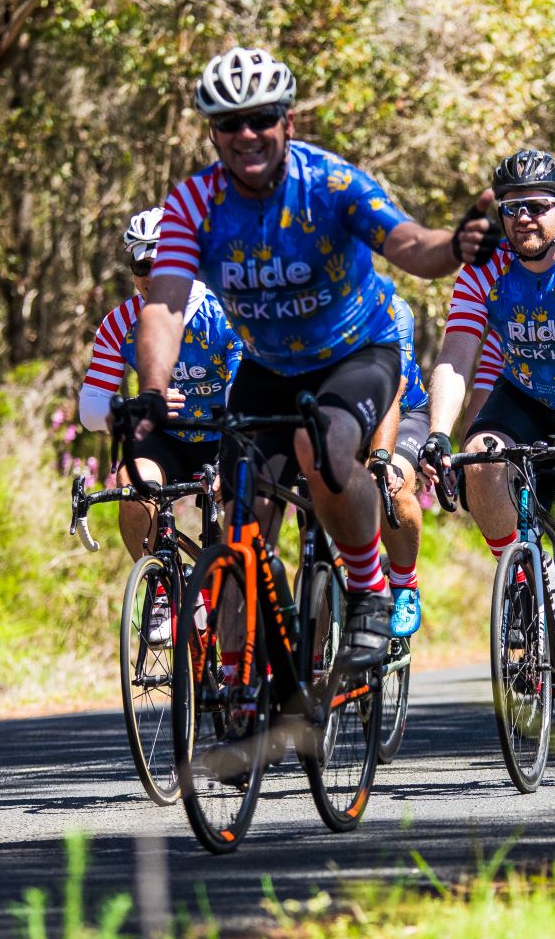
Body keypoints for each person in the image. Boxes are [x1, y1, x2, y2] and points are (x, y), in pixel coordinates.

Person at [135, 47, 494, 669]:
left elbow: (411, 246)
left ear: (288, 121)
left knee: (321, 449)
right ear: (212, 132)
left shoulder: (329, 183)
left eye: (262, 118)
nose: (247, 134)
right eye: (229, 123)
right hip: (268, 365)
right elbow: (164, 304)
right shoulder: (194, 203)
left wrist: (456, 244)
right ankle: (238, 682)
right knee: (241, 518)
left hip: (357, 351)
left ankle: (368, 587)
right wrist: (152, 388)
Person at [420, 150, 555, 737]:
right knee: (481, 462)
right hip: (525, 397)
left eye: (537, 208)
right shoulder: (483, 269)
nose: (524, 220)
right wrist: (439, 433)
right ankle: (523, 579)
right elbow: (457, 356)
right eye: (513, 209)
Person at [79, 207, 242, 646]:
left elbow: (240, 395)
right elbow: (90, 407)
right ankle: (162, 587)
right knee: (132, 482)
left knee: (236, 526)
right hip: (164, 440)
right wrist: (131, 408)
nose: (153, 275)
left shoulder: (225, 315)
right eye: (142, 265)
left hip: (222, 436)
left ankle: (239, 637)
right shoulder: (120, 323)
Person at [380, 294, 430, 639]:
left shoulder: (393, 309)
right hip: (342, 422)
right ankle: (318, 666)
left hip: (403, 413)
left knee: (393, 484)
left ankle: (403, 581)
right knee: (319, 541)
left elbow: (391, 389)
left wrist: (381, 459)